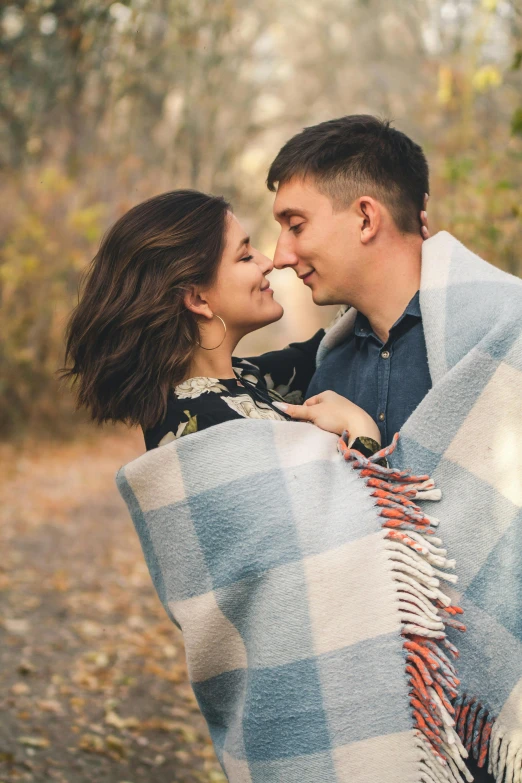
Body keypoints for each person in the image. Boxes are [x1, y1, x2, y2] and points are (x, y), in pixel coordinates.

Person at [265, 115, 521, 783]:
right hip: (387, 731)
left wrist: (366, 446)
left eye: (295, 224)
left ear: (366, 216)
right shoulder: (328, 368)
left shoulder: (506, 335)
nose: (282, 253)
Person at [62, 189, 384, 458]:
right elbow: (350, 523)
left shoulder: (241, 380)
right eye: (245, 257)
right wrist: (363, 430)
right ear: (199, 299)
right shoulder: (206, 428)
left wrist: (394, 251)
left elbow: (323, 347)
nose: (267, 262)